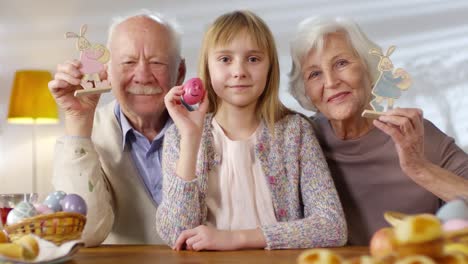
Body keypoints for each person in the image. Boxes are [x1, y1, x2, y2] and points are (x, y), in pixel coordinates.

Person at [156, 10, 347, 251]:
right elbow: (176, 233)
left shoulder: (295, 132)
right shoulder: (180, 136)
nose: (239, 71)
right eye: (225, 59)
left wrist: (235, 238)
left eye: (253, 59)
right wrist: (191, 140)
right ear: (207, 66)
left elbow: (332, 227)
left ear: (270, 68)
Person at [288, 16, 468, 245]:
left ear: (369, 68)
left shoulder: (415, 133)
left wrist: (419, 168)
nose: (331, 82)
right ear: (306, 92)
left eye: (341, 63)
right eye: (315, 74)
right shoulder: (300, 141)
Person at [48, 11, 186, 246]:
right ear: (108, 72)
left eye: (156, 62)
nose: (142, 76)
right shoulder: (86, 135)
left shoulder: (206, 129)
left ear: (180, 72)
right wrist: (78, 122)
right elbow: (84, 235)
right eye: (128, 62)